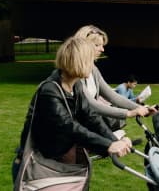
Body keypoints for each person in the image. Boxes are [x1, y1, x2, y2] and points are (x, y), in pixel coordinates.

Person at [13, 37, 131, 183]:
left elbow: (91, 117)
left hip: (57, 162)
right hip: (37, 166)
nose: (93, 66)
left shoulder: (76, 86)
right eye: (90, 61)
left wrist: (114, 140)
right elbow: (70, 127)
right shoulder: (49, 91)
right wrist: (109, 145)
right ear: (79, 61)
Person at [74, 25, 154, 132]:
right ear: (84, 46)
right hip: (77, 129)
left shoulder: (93, 69)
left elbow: (112, 96)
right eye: (97, 45)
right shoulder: (74, 72)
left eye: (102, 45)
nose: (102, 49)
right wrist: (128, 113)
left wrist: (140, 108)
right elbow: (91, 104)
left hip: (89, 126)